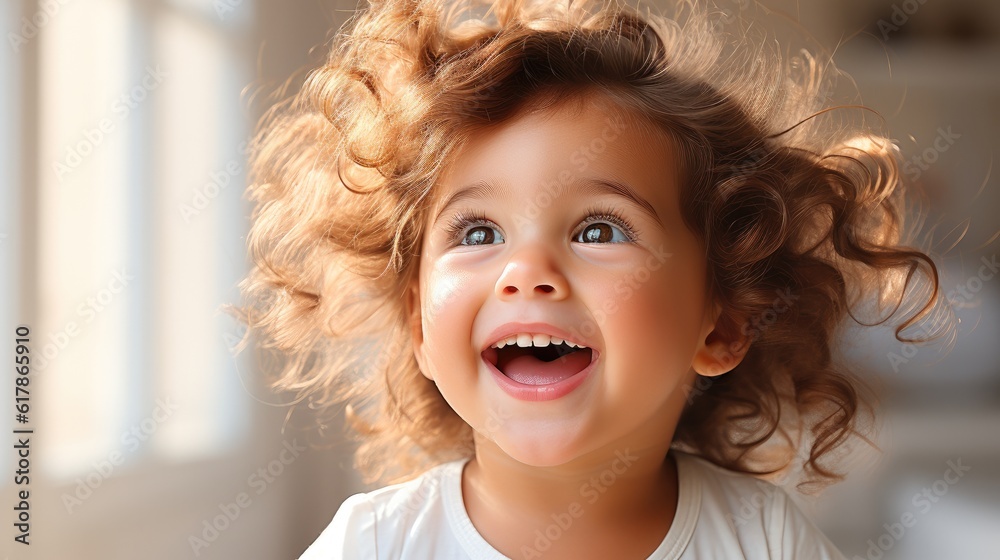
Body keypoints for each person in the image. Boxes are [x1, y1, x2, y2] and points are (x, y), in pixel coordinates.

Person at [235, 0, 949, 557]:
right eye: (478, 232)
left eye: (598, 230)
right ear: (419, 322)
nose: (528, 272)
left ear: (724, 320)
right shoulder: (374, 545)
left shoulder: (763, 540)